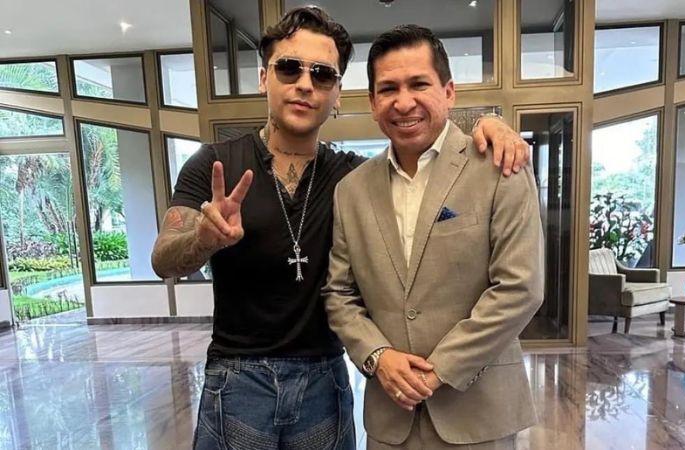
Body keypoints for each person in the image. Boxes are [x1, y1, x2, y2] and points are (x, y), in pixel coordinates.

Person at [150, 7, 530, 450]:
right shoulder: (213, 164)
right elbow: (163, 260)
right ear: (264, 78)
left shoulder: (352, 179)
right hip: (239, 378)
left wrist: (490, 125)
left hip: (324, 378)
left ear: (337, 94)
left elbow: (424, 146)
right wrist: (203, 239)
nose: (305, 84)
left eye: (322, 74)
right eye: (289, 68)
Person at [323, 25, 544, 450]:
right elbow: (339, 293)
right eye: (388, 89)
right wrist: (378, 357)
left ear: (448, 92)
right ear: (372, 102)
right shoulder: (351, 190)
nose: (404, 101)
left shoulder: (499, 167)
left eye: (419, 84)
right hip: (390, 418)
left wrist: (440, 369)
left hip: (479, 414)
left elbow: (520, 288)